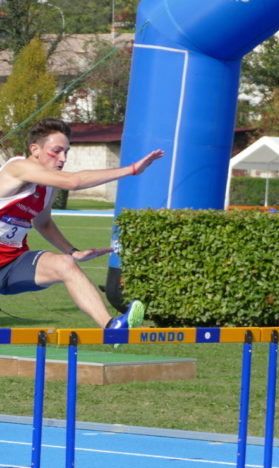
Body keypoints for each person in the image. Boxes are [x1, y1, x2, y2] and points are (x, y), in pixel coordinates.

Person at [0, 117, 161, 329]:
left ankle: (112, 327)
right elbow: (73, 182)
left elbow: (44, 223)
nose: (63, 158)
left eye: (67, 152)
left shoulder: (48, 187)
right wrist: (131, 170)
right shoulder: (18, 167)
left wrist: (73, 252)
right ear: (35, 149)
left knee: (66, 265)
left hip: (10, 265)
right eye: (56, 151)